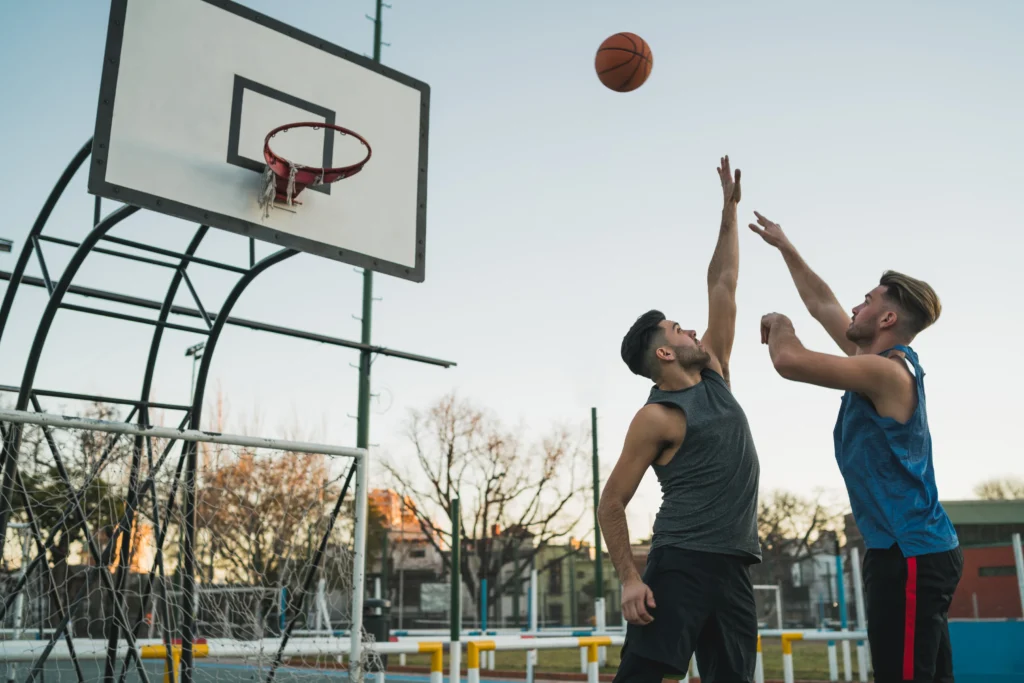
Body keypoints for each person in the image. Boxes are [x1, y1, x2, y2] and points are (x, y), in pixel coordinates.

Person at [751, 212, 962, 682]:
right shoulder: (868, 365)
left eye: (865, 302)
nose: (852, 308)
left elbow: (788, 360)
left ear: (887, 318)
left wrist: (779, 321)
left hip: (911, 553)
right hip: (906, 551)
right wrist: (785, 246)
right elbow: (821, 301)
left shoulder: (886, 372)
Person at [598, 156, 761, 683]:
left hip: (735, 566)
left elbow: (724, 282)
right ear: (664, 355)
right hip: (680, 564)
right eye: (677, 330)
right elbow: (612, 502)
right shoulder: (657, 417)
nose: (692, 330)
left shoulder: (715, 373)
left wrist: (728, 213)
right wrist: (629, 578)